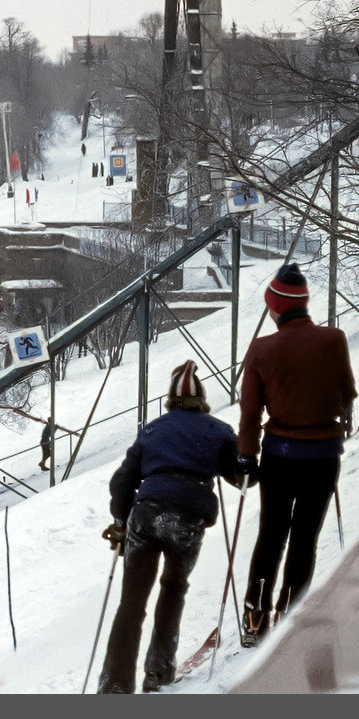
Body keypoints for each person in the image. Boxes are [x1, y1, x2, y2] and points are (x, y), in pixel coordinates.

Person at [98, 360, 241, 693]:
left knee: (131, 603)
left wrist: (120, 521)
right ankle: (158, 672)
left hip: (145, 515)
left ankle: (114, 685)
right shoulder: (218, 430)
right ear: (201, 398)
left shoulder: (151, 430)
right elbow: (240, 476)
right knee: (173, 588)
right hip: (188, 517)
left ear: (170, 399)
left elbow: (122, 481)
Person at [238, 264, 357, 646]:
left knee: (271, 535)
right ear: (303, 304)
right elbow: (347, 392)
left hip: (279, 456)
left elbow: (250, 411)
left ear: (275, 306)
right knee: (305, 538)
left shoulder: (262, 348)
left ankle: (254, 619)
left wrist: (246, 457)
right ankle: (289, 620)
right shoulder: (334, 339)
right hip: (323, 457)